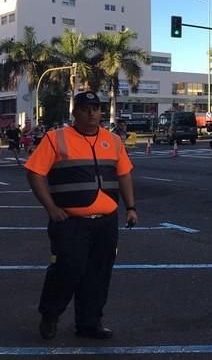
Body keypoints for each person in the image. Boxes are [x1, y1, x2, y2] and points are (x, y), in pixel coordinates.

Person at [24, 91, 137, 341]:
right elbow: (34, 172)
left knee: (98, 273)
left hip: (106, 222)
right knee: (67, 270)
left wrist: (130, 208)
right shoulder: (57, 139)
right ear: (75, 112)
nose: (92, 113)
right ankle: (50, 314)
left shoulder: (113, 141)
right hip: (70, 222)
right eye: (86, 108)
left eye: (96, 108)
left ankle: (89, 322)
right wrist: (51, 208)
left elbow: (124, 174)